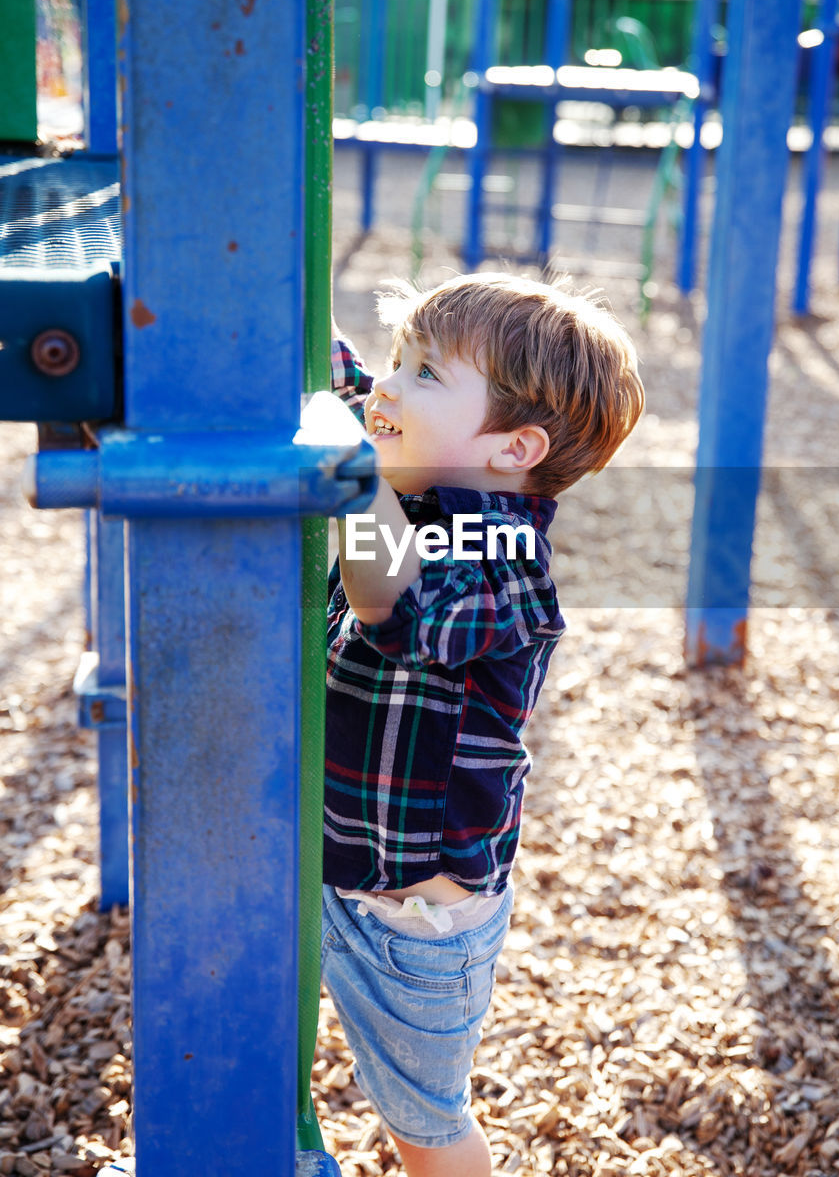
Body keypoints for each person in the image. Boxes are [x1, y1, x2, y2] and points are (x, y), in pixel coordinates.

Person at [323, 272, 644, 1177]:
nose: (388, 386)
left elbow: (394, 596)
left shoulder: (503, 559)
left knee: (423, 1122)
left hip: (417, 920)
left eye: (422, 373)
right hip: (332, 861)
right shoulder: (424, 484)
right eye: (399, 358)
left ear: (512, 449)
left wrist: (348, 475)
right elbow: (344, 385)